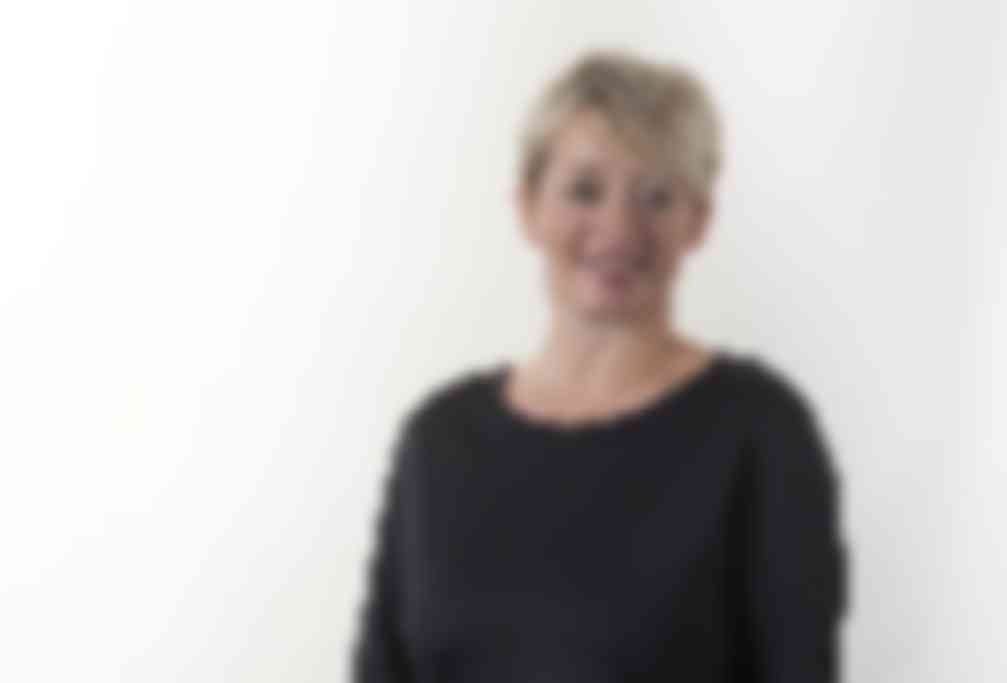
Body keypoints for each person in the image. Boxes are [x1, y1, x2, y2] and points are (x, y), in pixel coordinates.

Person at [351, 48, 848, 683]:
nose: (618, 229)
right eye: (584, 191)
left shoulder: (758, 432)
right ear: (528, 205)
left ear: (698, 219)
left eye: (656, 197)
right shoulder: (437, 441)